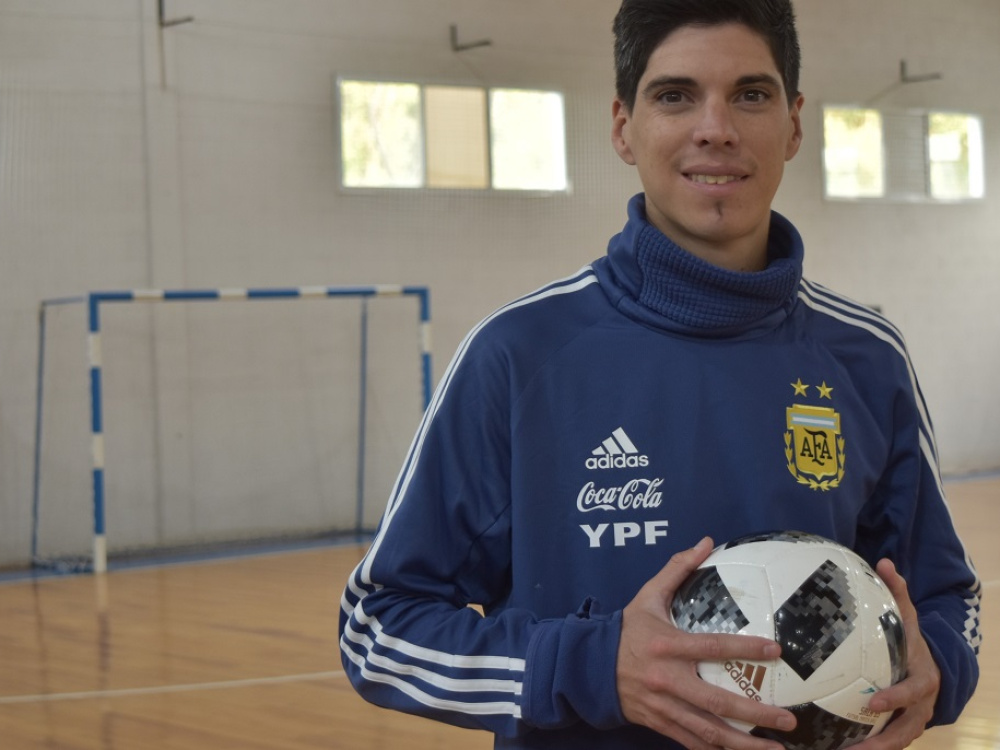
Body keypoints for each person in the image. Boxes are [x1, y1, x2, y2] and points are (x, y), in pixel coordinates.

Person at [339, 1, 982, 748]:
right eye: (675, 95)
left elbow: (947, 597)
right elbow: (376, 628)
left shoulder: (866, 358)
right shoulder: (518, 355)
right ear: (623, 127)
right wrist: (589, 666)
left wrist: (939, 665)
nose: (716, 128)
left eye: (751, 94)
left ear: (794, 124)